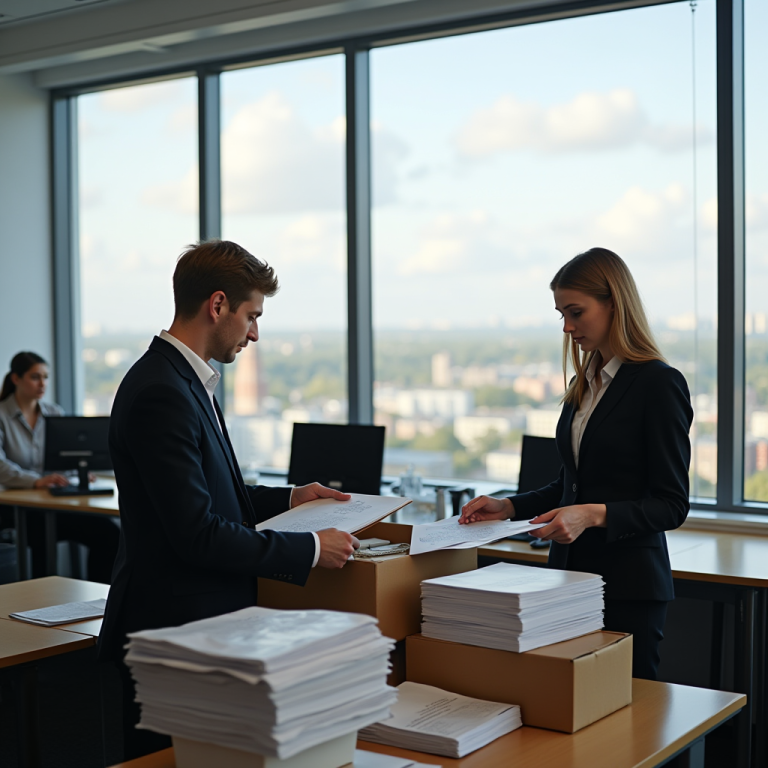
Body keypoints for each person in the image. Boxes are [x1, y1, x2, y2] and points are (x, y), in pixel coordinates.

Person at [97, 240, 360, 759]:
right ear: (217, 305)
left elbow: (214, 495)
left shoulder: (186, 381)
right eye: (252, 316)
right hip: (172, 633)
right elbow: (198, 533)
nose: (255, 333)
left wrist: (293, 498)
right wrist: (311, 549)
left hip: (197, 627)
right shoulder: (162, 392)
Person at [460, 247, 693, 680]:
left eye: (576, 312)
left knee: (624, 709)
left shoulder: (659, 384)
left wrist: (590, 516)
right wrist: (509, 506)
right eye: (561, 314)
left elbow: (671, 505)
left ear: (613, 304)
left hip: (628, 585)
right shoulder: (583, 382)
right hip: (568, 576)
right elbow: (571, 484)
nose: (567, 327)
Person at [0, 351, 120, 582]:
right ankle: (42, 599)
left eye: (45, 377)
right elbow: (0, 466)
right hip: (16, 508)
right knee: (42, 538)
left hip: (52, 504)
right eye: (35, 377)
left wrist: (80, 470)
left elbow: (63, 457)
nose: (42, 384)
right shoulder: (2, 415)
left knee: (109, 534)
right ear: (16, 378)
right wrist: (36, 481)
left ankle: (101, 598)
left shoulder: (53, 412)